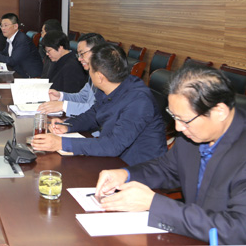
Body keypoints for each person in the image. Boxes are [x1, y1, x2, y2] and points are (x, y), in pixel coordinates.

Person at [95, 66, 246, 245]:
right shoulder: (192, 135)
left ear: (219, 112)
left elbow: (238, 229)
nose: (178, 128)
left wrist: (155, 204)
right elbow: (166, 168)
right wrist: (125, 174)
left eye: (185, 120)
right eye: (174, 116)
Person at [32, 43, 167, 166]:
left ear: (100, 77)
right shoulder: (113, 86)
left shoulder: (139, 102)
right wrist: (67, 126)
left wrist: (61, 143)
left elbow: (113, 144)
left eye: (90, 69)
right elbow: (93, 114)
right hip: (113, 159)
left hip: (138, 168)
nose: (89, 74)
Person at [38, 33, 105, 118]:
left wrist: (63, 105)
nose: (79, 59)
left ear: (97, 52)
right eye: (78, 54)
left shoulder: (107, 77)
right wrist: (60, 96)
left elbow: (96, 110)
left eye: (82, 54)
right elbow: (82, 97)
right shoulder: (93, 73)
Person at [0, 13, 42, 78]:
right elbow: (5, 53)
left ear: (15, 26)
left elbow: (13, 61)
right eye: (1, 26)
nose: (3, 28)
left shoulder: (22, 40)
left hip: (29, 76)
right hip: (17, 71)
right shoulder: (10, 38)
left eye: (6, 25)